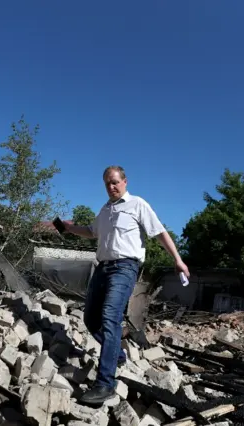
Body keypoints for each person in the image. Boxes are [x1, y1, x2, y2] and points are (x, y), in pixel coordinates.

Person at [64, 165, 190, 406]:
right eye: (107, 184)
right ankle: (117, 354)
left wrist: (178, 260)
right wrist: (69, 228)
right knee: (91, 319)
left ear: (124, 181)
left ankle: (105, 384)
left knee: (110, 317)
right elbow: (92, 232)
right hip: (102, 268)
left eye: (114, 182)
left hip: (124, 268)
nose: (111, 187)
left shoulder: (138, 204)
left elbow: (160, 232)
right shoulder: (104, 211)